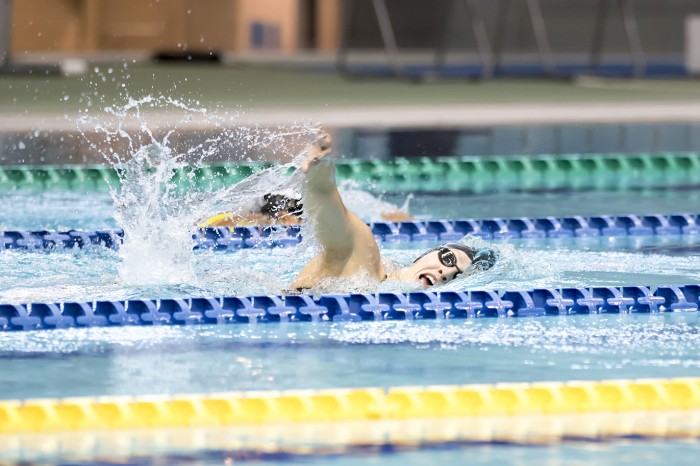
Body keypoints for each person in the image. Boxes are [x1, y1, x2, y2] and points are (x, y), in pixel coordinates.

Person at [291, 125, 497, 290]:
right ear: (425, 254)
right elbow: (328, 206)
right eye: (448, 259)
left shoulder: (386, 285)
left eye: (457, 276)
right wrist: (321, 172)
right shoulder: (366, 261)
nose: (446, 273)